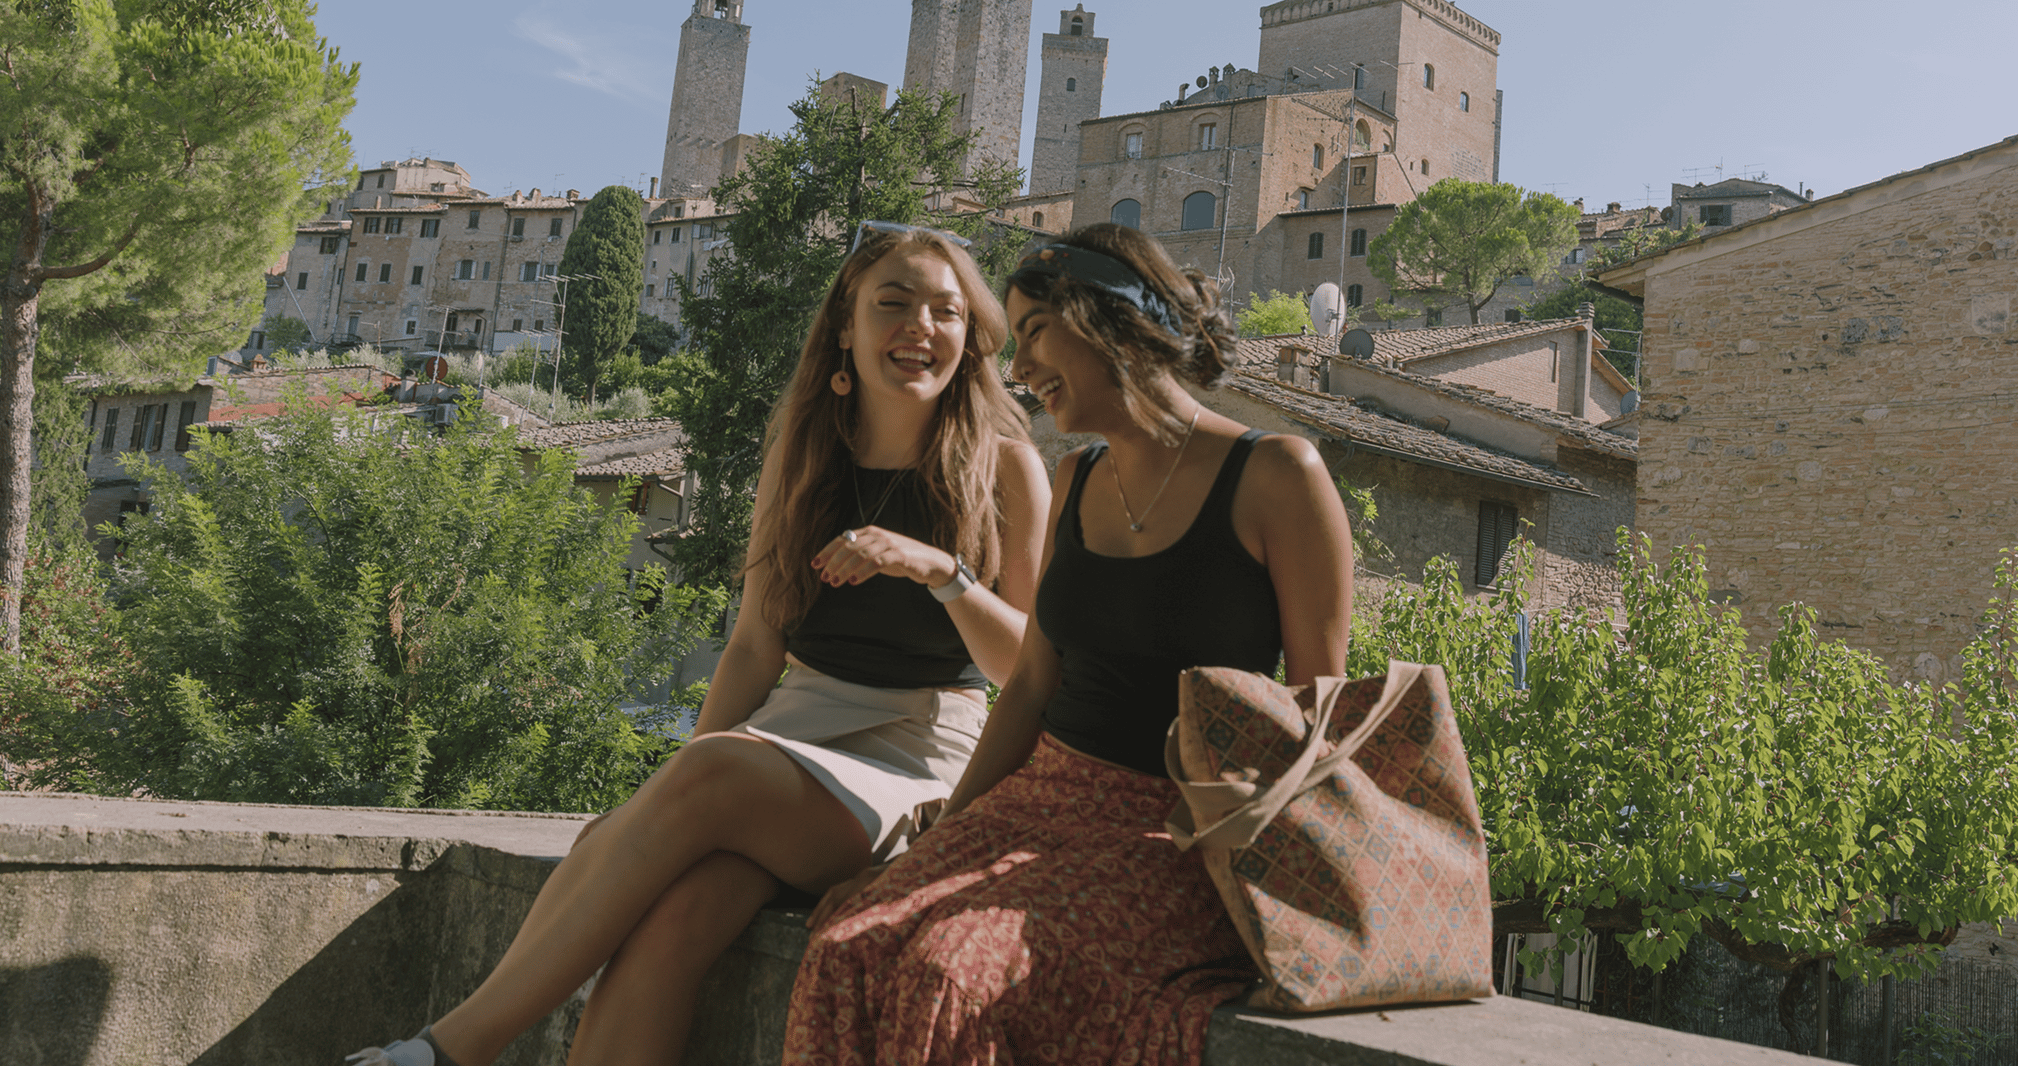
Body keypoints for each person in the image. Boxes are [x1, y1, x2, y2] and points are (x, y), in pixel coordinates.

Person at [348, 221, 1050, 1066]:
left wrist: (942, 573)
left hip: (922, 754)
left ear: (971, 337)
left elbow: (1030, 667)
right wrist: (672, 799)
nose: (921, 328)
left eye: (946, 311)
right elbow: (755, 645)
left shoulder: (1007, 468)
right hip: (790, 733)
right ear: (844, 328)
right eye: (892, 305)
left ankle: (447, 1052)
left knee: (698, 779)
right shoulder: (803, 454)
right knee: (669, 916)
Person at [783, 222, 1356, 1066]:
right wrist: (939, 846)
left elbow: (1322, 715)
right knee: (842, 945)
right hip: (1041, 801)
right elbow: (1030, 688)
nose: (1018, 370)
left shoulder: (1279, 474)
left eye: (1038, 334)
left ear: (1110, 321)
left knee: (951, 973)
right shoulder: (1076, 478)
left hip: (1175, 831)